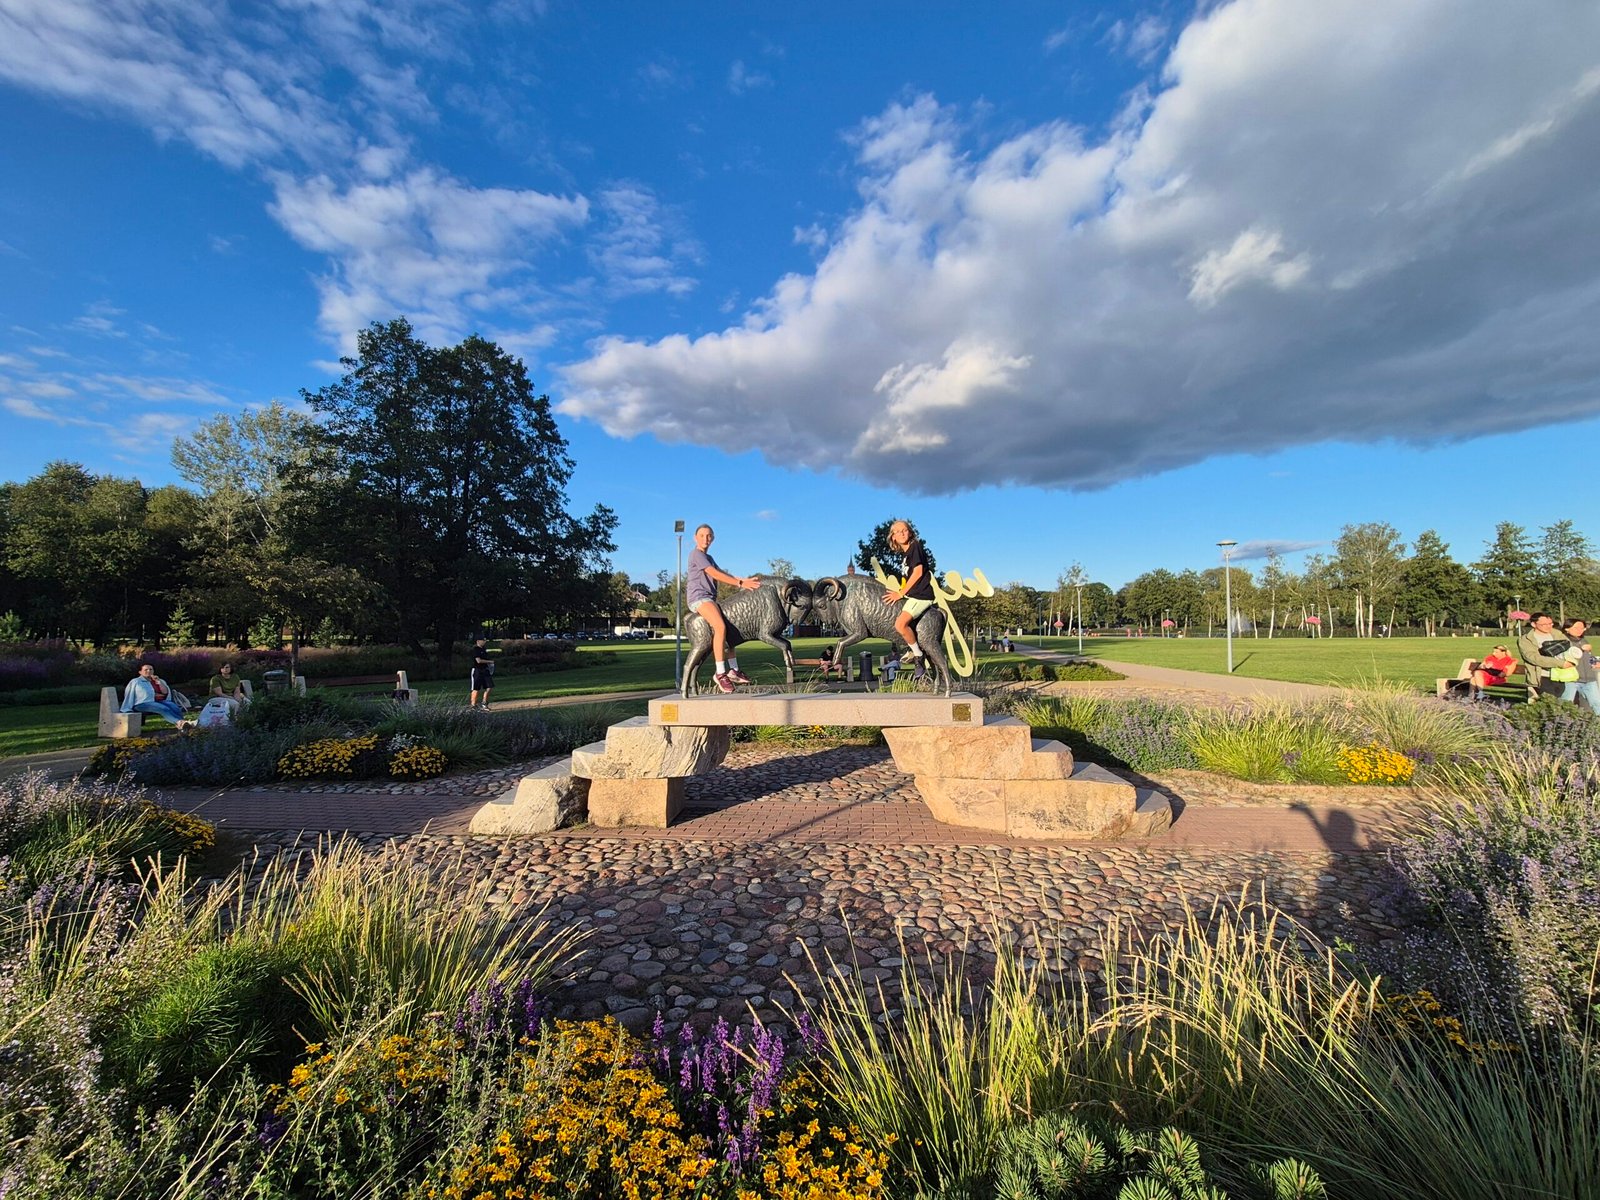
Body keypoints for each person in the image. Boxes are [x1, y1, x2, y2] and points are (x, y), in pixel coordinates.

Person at [687, 523, 761, 693]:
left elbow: (723, 573)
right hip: (699, 598)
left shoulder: (709, 557)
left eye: (709, 535)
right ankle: (720, 674)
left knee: (729, 630)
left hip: (710, 599)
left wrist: (744, 581)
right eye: (702, 535)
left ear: (713, 538)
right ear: (695, 538)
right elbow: (714, 573)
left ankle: (733, 670)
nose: (706, 538)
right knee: (720, 627)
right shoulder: (696, 554)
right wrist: (740, 583)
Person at [882, 519, 936, 672]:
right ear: (893, 537)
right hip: (912, 596)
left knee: (900, 624)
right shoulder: (905, 555)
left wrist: (900, 593)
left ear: (910, 532)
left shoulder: (915, 547)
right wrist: (900, 591)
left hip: (921, 595)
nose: (902, 533)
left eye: (904, 530)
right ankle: (911, 646)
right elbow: (907, 578)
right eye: (898, 531)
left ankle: (918, 656)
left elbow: (918, 572)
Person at [1517, 612, 1575, 699]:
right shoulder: (1525, 639)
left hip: (1562, 677)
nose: (1548, 626)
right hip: (1541, 677)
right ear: (1533, 624)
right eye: (1544, 624)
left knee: (1562, 704)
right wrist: (1559, 663)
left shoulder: (1557, 634)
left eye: (1550, 623)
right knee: (1547, 703)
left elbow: (1570, 649)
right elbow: (1533, 658)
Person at [120, 662, 192, 729]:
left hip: (159, 702)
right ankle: (180, 722)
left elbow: (165, 692)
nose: (149, 671)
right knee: (163, 708)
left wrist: (159, 682)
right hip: (141, 704)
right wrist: (127, 708)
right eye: (146, 670)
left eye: (151, 669)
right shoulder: (136, 681)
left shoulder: (159, 680)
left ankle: (183, 724)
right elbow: (129, 694)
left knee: (174, 706)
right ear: (140, 672)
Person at [469, 637, 494, 710]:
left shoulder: (484, 649)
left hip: (485, 670)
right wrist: (490, 662)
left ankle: (484, 703)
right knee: (476, 688)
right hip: (477, 670)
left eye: (485, 640)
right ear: (478, 641)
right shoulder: (476, 650)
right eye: (483, 640)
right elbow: (478, 661)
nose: (484, 642)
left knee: (489, 686)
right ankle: (473, 705)